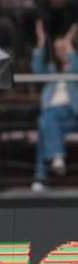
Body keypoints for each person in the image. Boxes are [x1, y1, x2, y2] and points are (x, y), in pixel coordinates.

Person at [31, 20, 78, 191]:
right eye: (58, 48)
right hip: (56, 119)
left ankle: (41, 175)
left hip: (73, 114)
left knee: (45, 121)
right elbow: (36, 70)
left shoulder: (75, 69)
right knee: (45, 122)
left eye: (63, 47)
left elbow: (75, 67)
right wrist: (41, 41)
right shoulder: (52, 71)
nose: (60, 51)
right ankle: (44, 172)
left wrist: (69, 41)